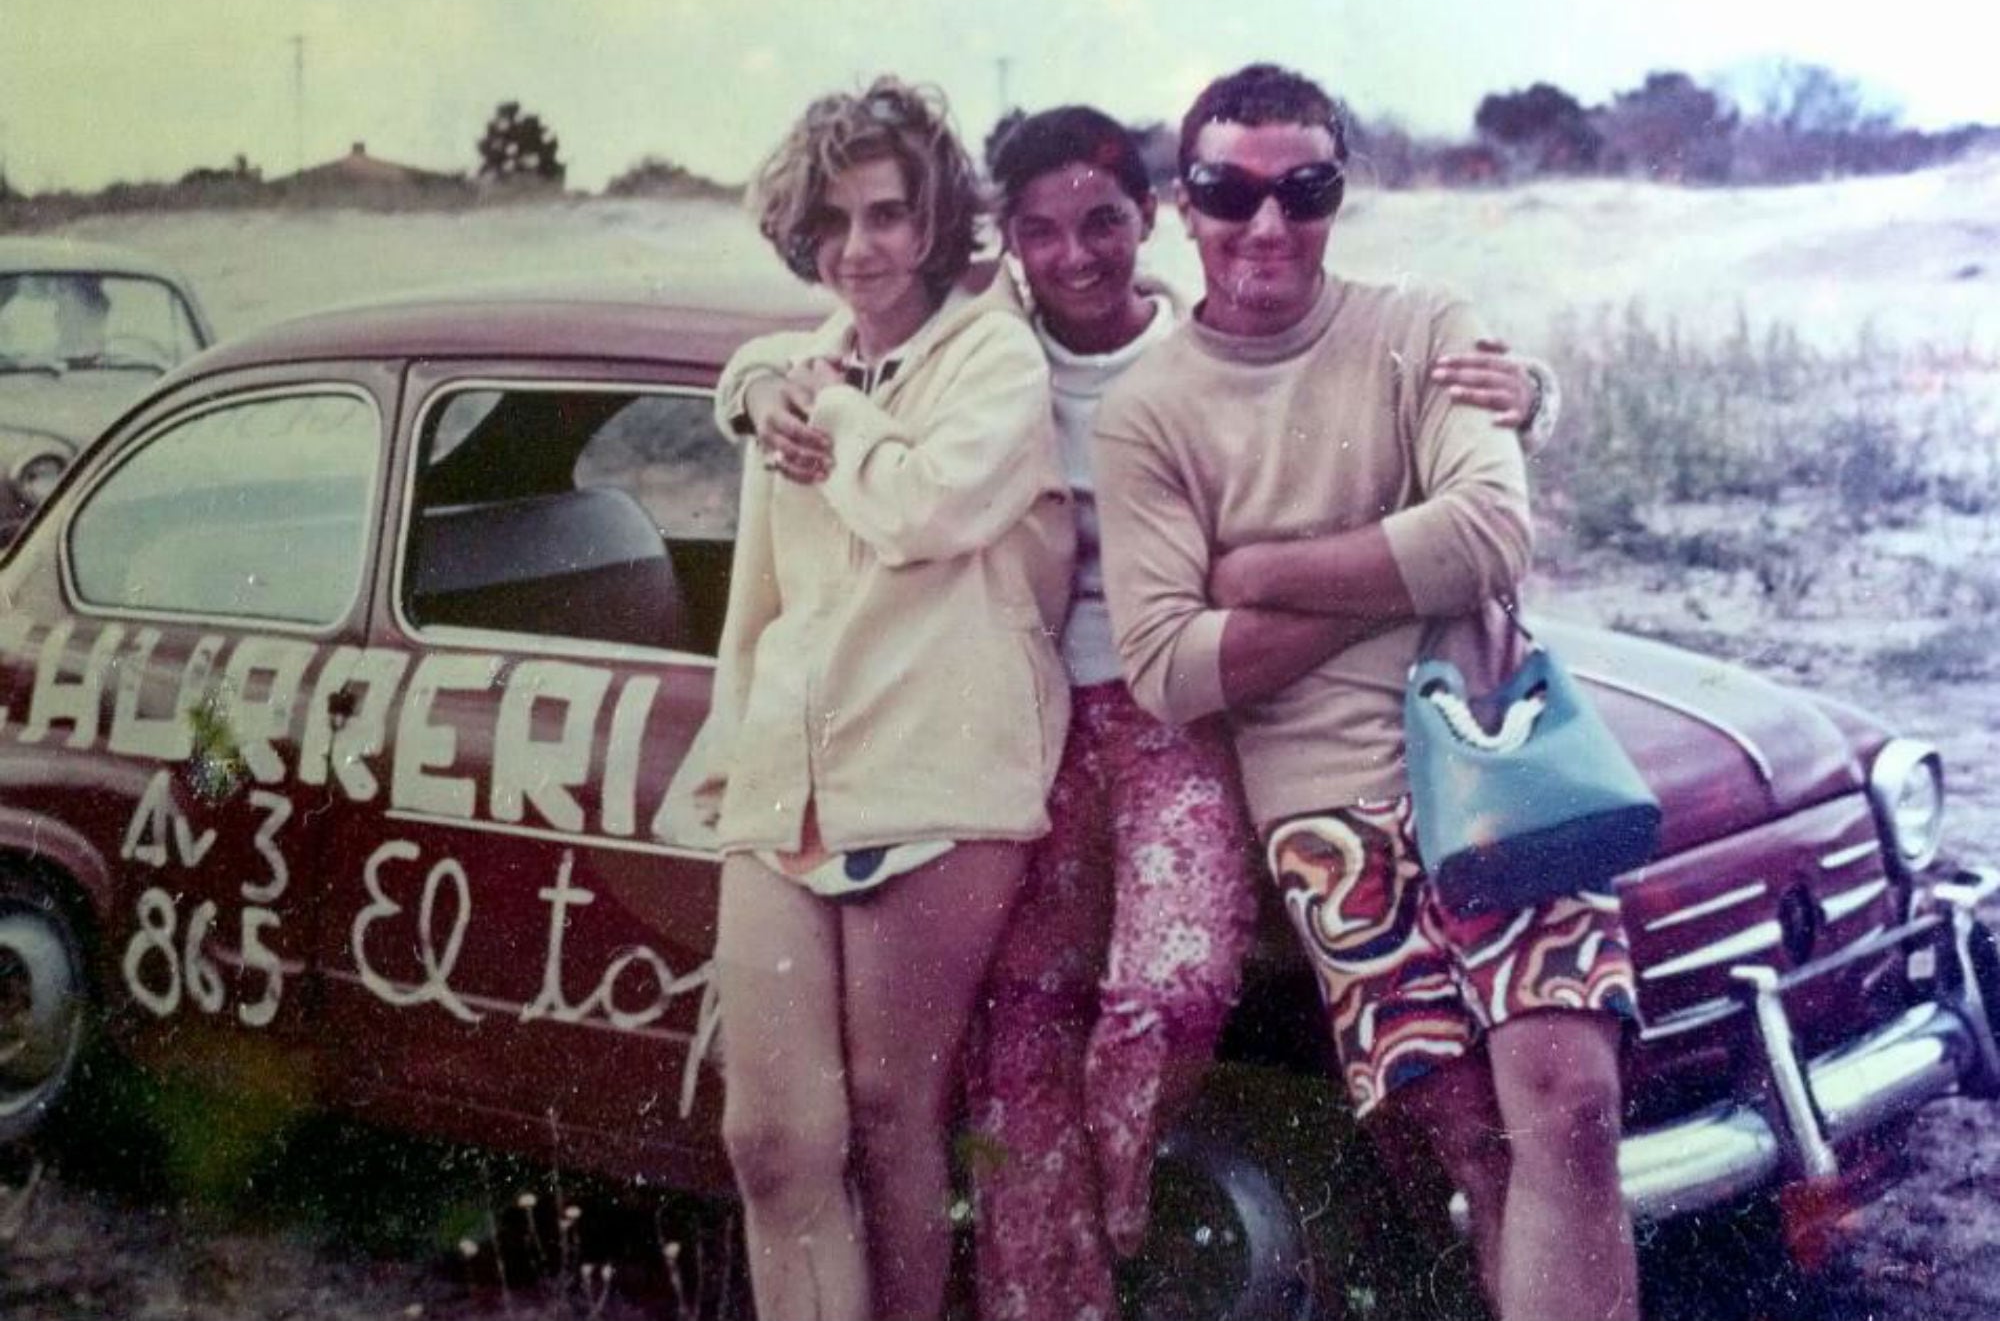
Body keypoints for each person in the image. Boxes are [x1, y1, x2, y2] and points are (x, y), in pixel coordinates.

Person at [1094, 64, 1640, 1321]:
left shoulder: (1425, 327)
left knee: (1573, 1108)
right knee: (1477, 1145)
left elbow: (1492, 531)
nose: (1266, 224)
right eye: (1230, 192)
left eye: (1305, 188)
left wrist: (1267, 572)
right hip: (1327, 810)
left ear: (1339, 193)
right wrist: (1402, 556)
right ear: (1186, 202)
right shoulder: (1149, 413)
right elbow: (1168, 664)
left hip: (1494, 759)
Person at [662, 77, 1073, 1321]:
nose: (859, 248)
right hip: (786, 774)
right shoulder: (798, 366)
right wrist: (765, 381)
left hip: (937, 773)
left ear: (937, 218)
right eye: (832, 222)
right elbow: (769, 576)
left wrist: (811, 399)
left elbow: (924, 510)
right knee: (773, 1137)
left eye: (888, 215)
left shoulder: (994, 355)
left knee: (894, 1118)